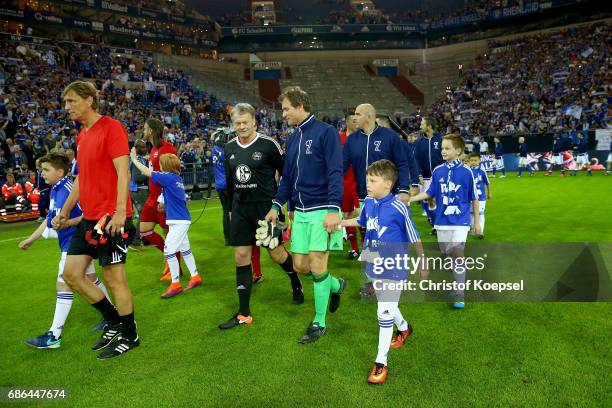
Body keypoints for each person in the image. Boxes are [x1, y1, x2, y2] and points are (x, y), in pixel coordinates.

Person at [55, 80, 139, 360]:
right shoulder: (82, 135)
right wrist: (66, 210)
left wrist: (119, 212)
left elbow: (123, 173)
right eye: (65, 102)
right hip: (89, 219)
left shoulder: (112, 128)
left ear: (89, 100)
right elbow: (81, 178)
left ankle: (130, 335)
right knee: (72, 274)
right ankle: (115, 321)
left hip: (111, 218)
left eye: (71, 101)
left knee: (115, 279)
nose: (67, 107)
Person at [265, 87, 345, 344]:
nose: (284, 114)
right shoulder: (294, 138)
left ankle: (319, 322)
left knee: (318, 264)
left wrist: (334, 208)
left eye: (286, 108)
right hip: (300, 212)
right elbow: (287, 178)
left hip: (323, 209)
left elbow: (335, 171)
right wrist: (276, 205)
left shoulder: (326, 132)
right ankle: (334, 285)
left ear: (300, 105)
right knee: (300, 266)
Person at [218, 103, 304, 330]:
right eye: (237, 123)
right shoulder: (229, 148)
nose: (242, 126)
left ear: (254, 122)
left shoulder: (268, 144)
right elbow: (229, 182)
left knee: (276, 254)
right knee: (241, 256)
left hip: (265, 209)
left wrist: (283, 204)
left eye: (245, 122)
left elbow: (287, 175)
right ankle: (244, 313)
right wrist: (228, 209)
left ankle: (296, 282)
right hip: (239, 209)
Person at [340, 159, 424, 384]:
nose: (367, 184)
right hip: (372, 260)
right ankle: (405, 328)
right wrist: (340, 223)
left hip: (393, 266)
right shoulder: (369, 201)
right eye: (367, 179)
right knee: (386, 304)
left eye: (373, 180)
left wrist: (423, 262)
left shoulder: (399, 207)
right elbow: (361, 220)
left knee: (383, 313)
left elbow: (414, 235)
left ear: (387, 184)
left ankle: (381, 363)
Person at [19, 153, 111, 348]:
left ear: (60, 172)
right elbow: (50, 220)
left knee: (63, 285)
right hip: (73, 243)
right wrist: (30, 240)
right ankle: (112, 317)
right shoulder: (57, 189)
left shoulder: (69, 188)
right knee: (91, 279)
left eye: (46, 170)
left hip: (76, 243)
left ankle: (54, 336)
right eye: (42, 170)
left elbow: (90, 214)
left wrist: (68, 222)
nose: (42, 173)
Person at [410, 134, 480, 309]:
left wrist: (476, 222)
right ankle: (457, 284)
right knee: (449, 257)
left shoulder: (467, 172)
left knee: (457, 255)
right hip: (442, 222)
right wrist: (410, 199)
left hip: (460, 221)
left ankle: (460, 294)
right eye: (442, 148)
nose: (443, 151)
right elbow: (430, 192)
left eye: (447, 148)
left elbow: (474, 198)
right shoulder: (438, 171)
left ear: (458, 150)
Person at [130, 150, 202, 298]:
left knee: (169, 251)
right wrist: (161, 201)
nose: (159, 166)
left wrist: (134, 160)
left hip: (178, 221)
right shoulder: (176, 178)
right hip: (180, 220)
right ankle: (195, 276)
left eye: (161, 164)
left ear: (166, 166)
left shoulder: (168, 177)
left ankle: (175, 284)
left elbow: (147, 172)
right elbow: (167, 193)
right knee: (185, 249)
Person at [211, 127, 263, 283]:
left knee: (226, 213)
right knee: (251, 233)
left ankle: (229, 237)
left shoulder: (215, 149)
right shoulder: (230, 150)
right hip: (234, 188)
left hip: (222, 186)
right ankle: (257, 272)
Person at [139, 118, 181, 280]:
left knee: (169, 234)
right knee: (144, 231)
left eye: (145, 128)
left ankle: (174, 268)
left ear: (151, 131)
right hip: (152, 198)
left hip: (164, 199)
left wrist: (165, 199)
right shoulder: (153, 149)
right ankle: (169, 257)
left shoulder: (167, 148)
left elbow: (172, 175)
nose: (143, 130)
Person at [412, 116, 444, 234]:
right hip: (425, 177)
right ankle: (435, 225)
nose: (420, 126)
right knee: (430, 200)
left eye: (422, 123)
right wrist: (418, 174)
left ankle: (441, 224)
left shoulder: (441, 140)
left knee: (440, 200)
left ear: (429, 126)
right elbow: (415, 160)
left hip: (440, 176)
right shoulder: (418, 142)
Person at [339, 112, 360, 260]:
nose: (357, 122)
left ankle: (367, 247)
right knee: (346, 215)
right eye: (354, 120)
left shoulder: (362, 138)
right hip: (344, 183)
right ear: (347, 123)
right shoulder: (338, 139)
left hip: (360, 183)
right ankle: (354, 248)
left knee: (363, 215)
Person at [129, 139, 149, 246]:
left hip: (136, 190)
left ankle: (144, 239)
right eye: (143, 147)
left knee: (144, 215)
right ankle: (136, 240)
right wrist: (150, 174)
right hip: (139, 190)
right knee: (144, 216)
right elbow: (136, 177)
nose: (145, 149)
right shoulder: (137, 160)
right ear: (138, 149)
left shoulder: (138, 159)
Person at [467, 153, 491, 239]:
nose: (473, 162)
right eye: (471, 160)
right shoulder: (468, 171)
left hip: (481, 197)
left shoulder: (482, 171)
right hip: (470, 197)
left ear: (479, 161)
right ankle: (474, 230)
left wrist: (489, 192)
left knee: (480, 214)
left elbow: (487, 182)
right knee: (471, 213)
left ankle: (481, 232)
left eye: (475, 160)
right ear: (469, 161)